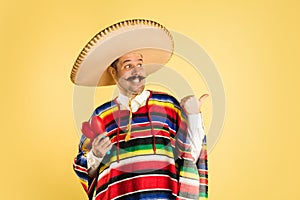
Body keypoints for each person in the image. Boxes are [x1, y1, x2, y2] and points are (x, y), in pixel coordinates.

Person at [71, 19, 208, 200]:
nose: (137, 71)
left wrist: (194, 117)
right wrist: (96, 155)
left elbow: (191, 155)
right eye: (128, 66)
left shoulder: (167, 105)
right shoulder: (101, 116)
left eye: (139, 64)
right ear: (114, 73)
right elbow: (84, 168)